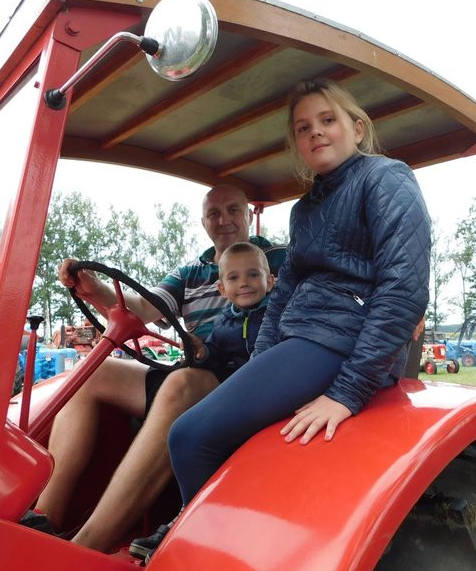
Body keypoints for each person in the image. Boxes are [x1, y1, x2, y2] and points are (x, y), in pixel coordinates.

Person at [167, 79, 430, 517]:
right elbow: (284, 295)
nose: (316, 133)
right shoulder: (304, 210)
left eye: (328, 120)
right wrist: (258, 367)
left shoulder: (386, 178)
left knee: (189, 437)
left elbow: (404, 288)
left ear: (358, 129)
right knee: (222, 434)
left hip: (340, 341)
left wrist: (347, 392)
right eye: (303, 128)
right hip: (303, 340)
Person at [22, 184, 283, 552]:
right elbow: (143, 307)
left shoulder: (276, 259)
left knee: (181, 384)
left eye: (233, 210)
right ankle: (44, 521)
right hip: (196, 366)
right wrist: (94, 289)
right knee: (93, 373)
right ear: (204, 221)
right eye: (213, 213)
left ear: (247, 214)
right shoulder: (192, 272)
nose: (224, 220)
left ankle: (87, 546)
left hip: (240, 377)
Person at [129, 241, 273, 560]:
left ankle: (199, 521)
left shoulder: (276, 315)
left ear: (270, 280)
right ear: (222, 288)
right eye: (234, 278)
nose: (245, 282)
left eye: (253, 274)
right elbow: (216, 357)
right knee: (189, 434)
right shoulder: (224, 323)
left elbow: (272, 358)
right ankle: (187, 514)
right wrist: (203, 351)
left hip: (265, 396)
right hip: (233, 394)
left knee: (197, 435)